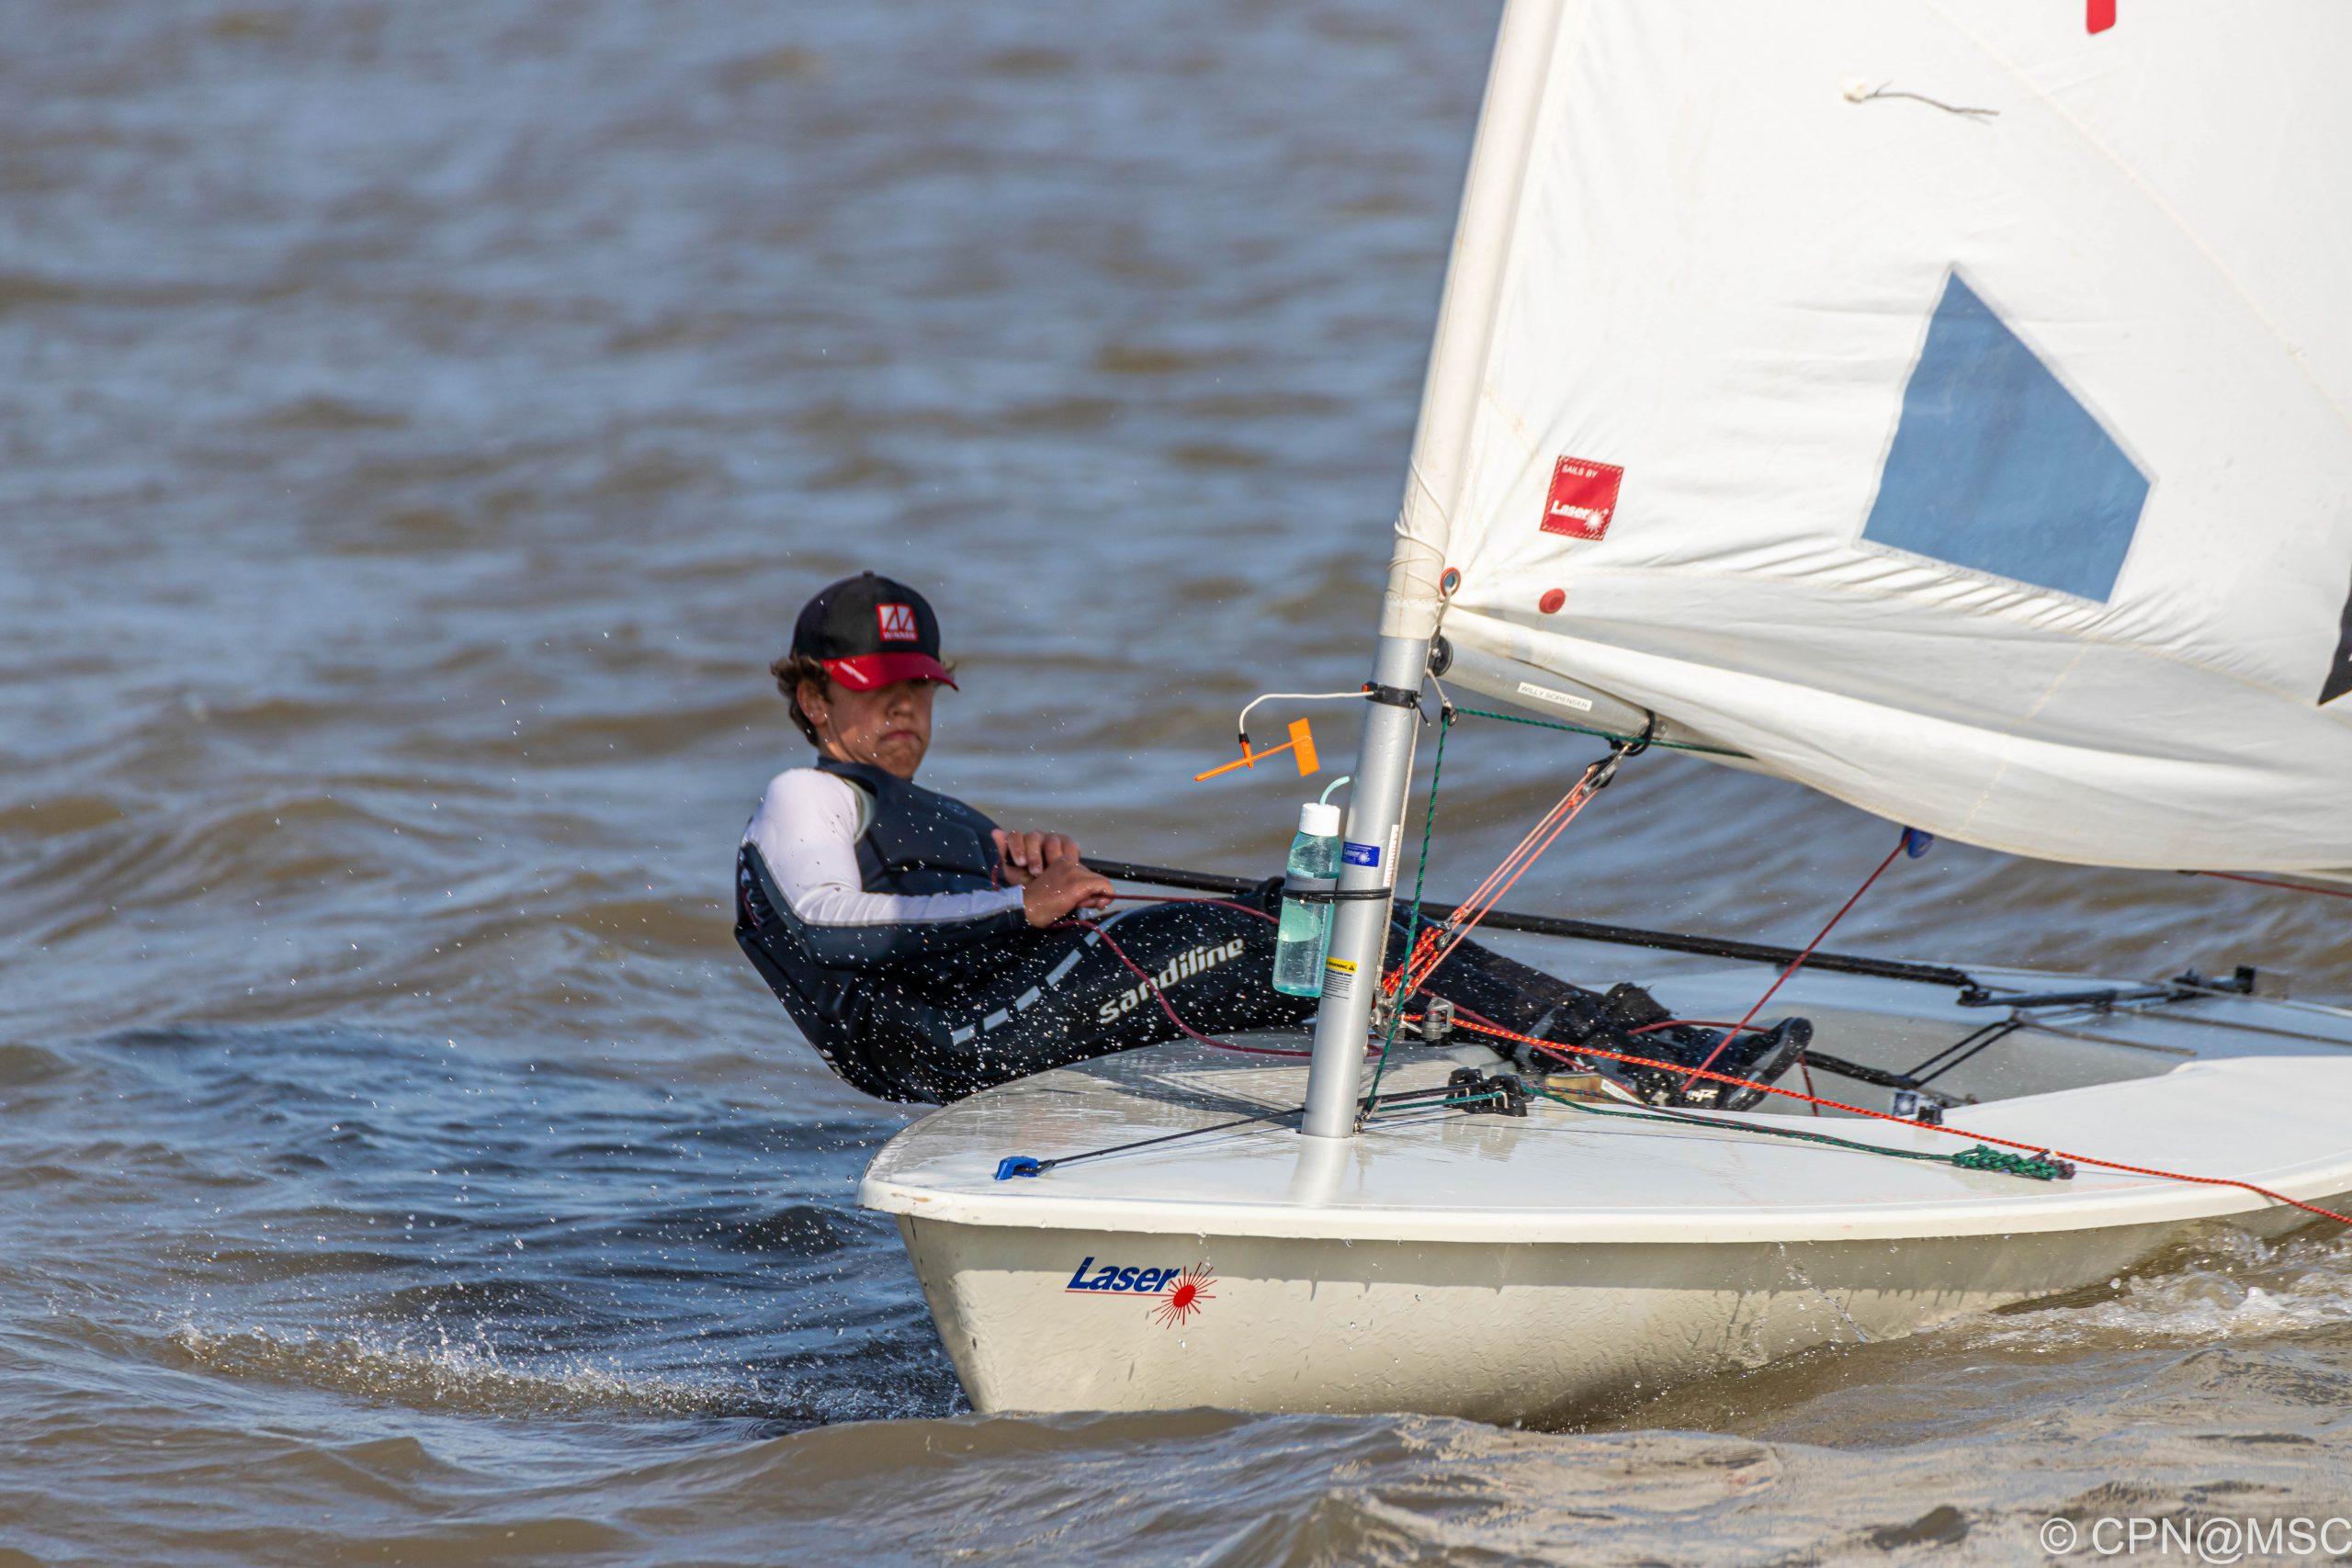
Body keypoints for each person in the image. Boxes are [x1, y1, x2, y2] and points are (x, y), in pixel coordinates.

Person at [733, 571, 1811, 1106]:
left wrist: (1022, 877)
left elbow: (941, 910)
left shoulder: (918, 808)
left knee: (1326, 920)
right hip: (953, 1042)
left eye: (919, 687)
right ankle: (1629, 1058)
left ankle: (1582, 1046)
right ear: (813, 698)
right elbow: (826, 924)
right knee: (1309, 934)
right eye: (872, 691)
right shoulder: (802, 795)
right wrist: (1020, 905)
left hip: (995, 1005)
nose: (903, 709)